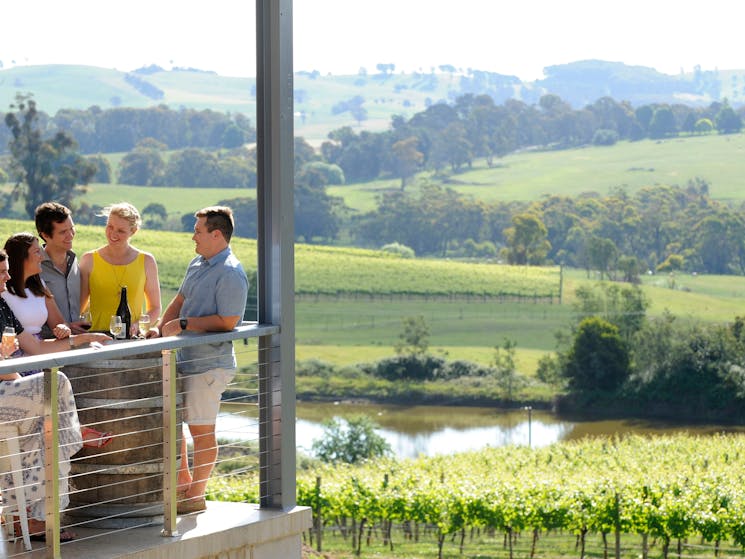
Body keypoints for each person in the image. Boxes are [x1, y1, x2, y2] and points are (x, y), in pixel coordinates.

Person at [0, 248, 112, 542]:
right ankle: (75, 433)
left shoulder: (2, 306)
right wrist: (11, 366)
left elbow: (36, 349)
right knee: (56, 381)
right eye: (2, 272)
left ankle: (32, 520)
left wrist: (83, 339)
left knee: (44, 434)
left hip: (10, 389)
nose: (8, 276)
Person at [148, 206, 248, 515]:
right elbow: (178, 302)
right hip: (184, 360)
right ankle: (183, 489)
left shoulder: (231, 272)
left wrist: (186, 325)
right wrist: (159, 331)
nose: (193, 236)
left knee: (202, 432)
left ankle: (195, 495)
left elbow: (229, 320)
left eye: (198, 231)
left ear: (216, 234)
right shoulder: (198, 263)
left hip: (209, 365)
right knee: (176, 428)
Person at [79, 202, 162, 336]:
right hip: (95, 339)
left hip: (131, 340)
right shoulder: (88, 260)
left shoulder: (147, 261)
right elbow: (78, 307)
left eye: (121, 231)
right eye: (110, 226)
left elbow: (155, 308)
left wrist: (138, 326)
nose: (113, 234)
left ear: (133, 231)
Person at [34, 202, 88, 335]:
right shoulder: (34, 268)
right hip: (47, 346)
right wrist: (65, 327)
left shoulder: (75, 261)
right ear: (45, 235)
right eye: (63, 232)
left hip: (77, 344)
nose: (70, 235)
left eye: (72, 228)